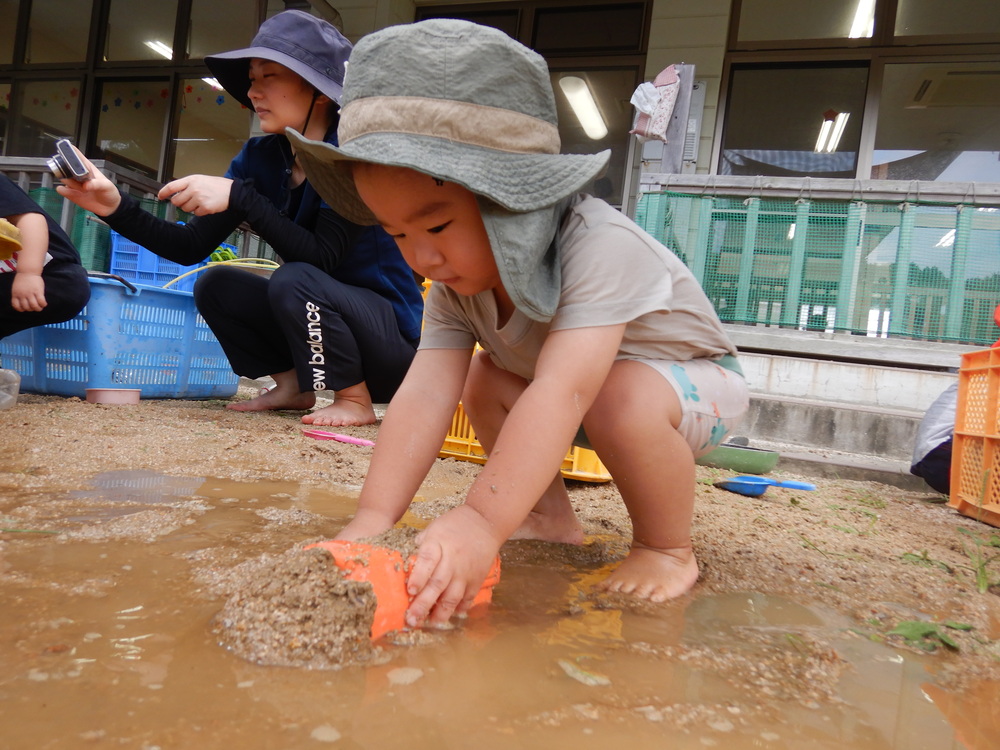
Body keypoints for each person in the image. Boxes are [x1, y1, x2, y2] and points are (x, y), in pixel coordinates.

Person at [290, 19, 750, 627]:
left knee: (618, 392)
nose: (421, 258)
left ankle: (666, 547)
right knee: (483, 376)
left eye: (435, 226)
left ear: (517, 205)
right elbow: (426, 393)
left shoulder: (597, 245)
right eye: (396, 233)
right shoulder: (455, 286)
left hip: (696, 391)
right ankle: (549, 518)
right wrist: (372, 523)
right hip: (593, 398)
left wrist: (480, 521)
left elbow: (568, 390)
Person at [56, 10, 423, 426]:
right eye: (252, 79)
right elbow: (188, 247)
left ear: (319, 91)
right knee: (217, 282)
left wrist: (241, 197)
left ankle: (354, 399)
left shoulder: (352, 154)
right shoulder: (261, 158)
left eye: (270, 77)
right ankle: (293, 386)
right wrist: (113, 205)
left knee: (294, 277)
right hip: (319, 327)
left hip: (390, 347)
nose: (254, 92)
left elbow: (322, 259)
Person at [1, 174, 90, 340]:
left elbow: (31, 219)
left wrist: (28, 273)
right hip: (7, 279)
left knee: (71, 288)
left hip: (49, 274)